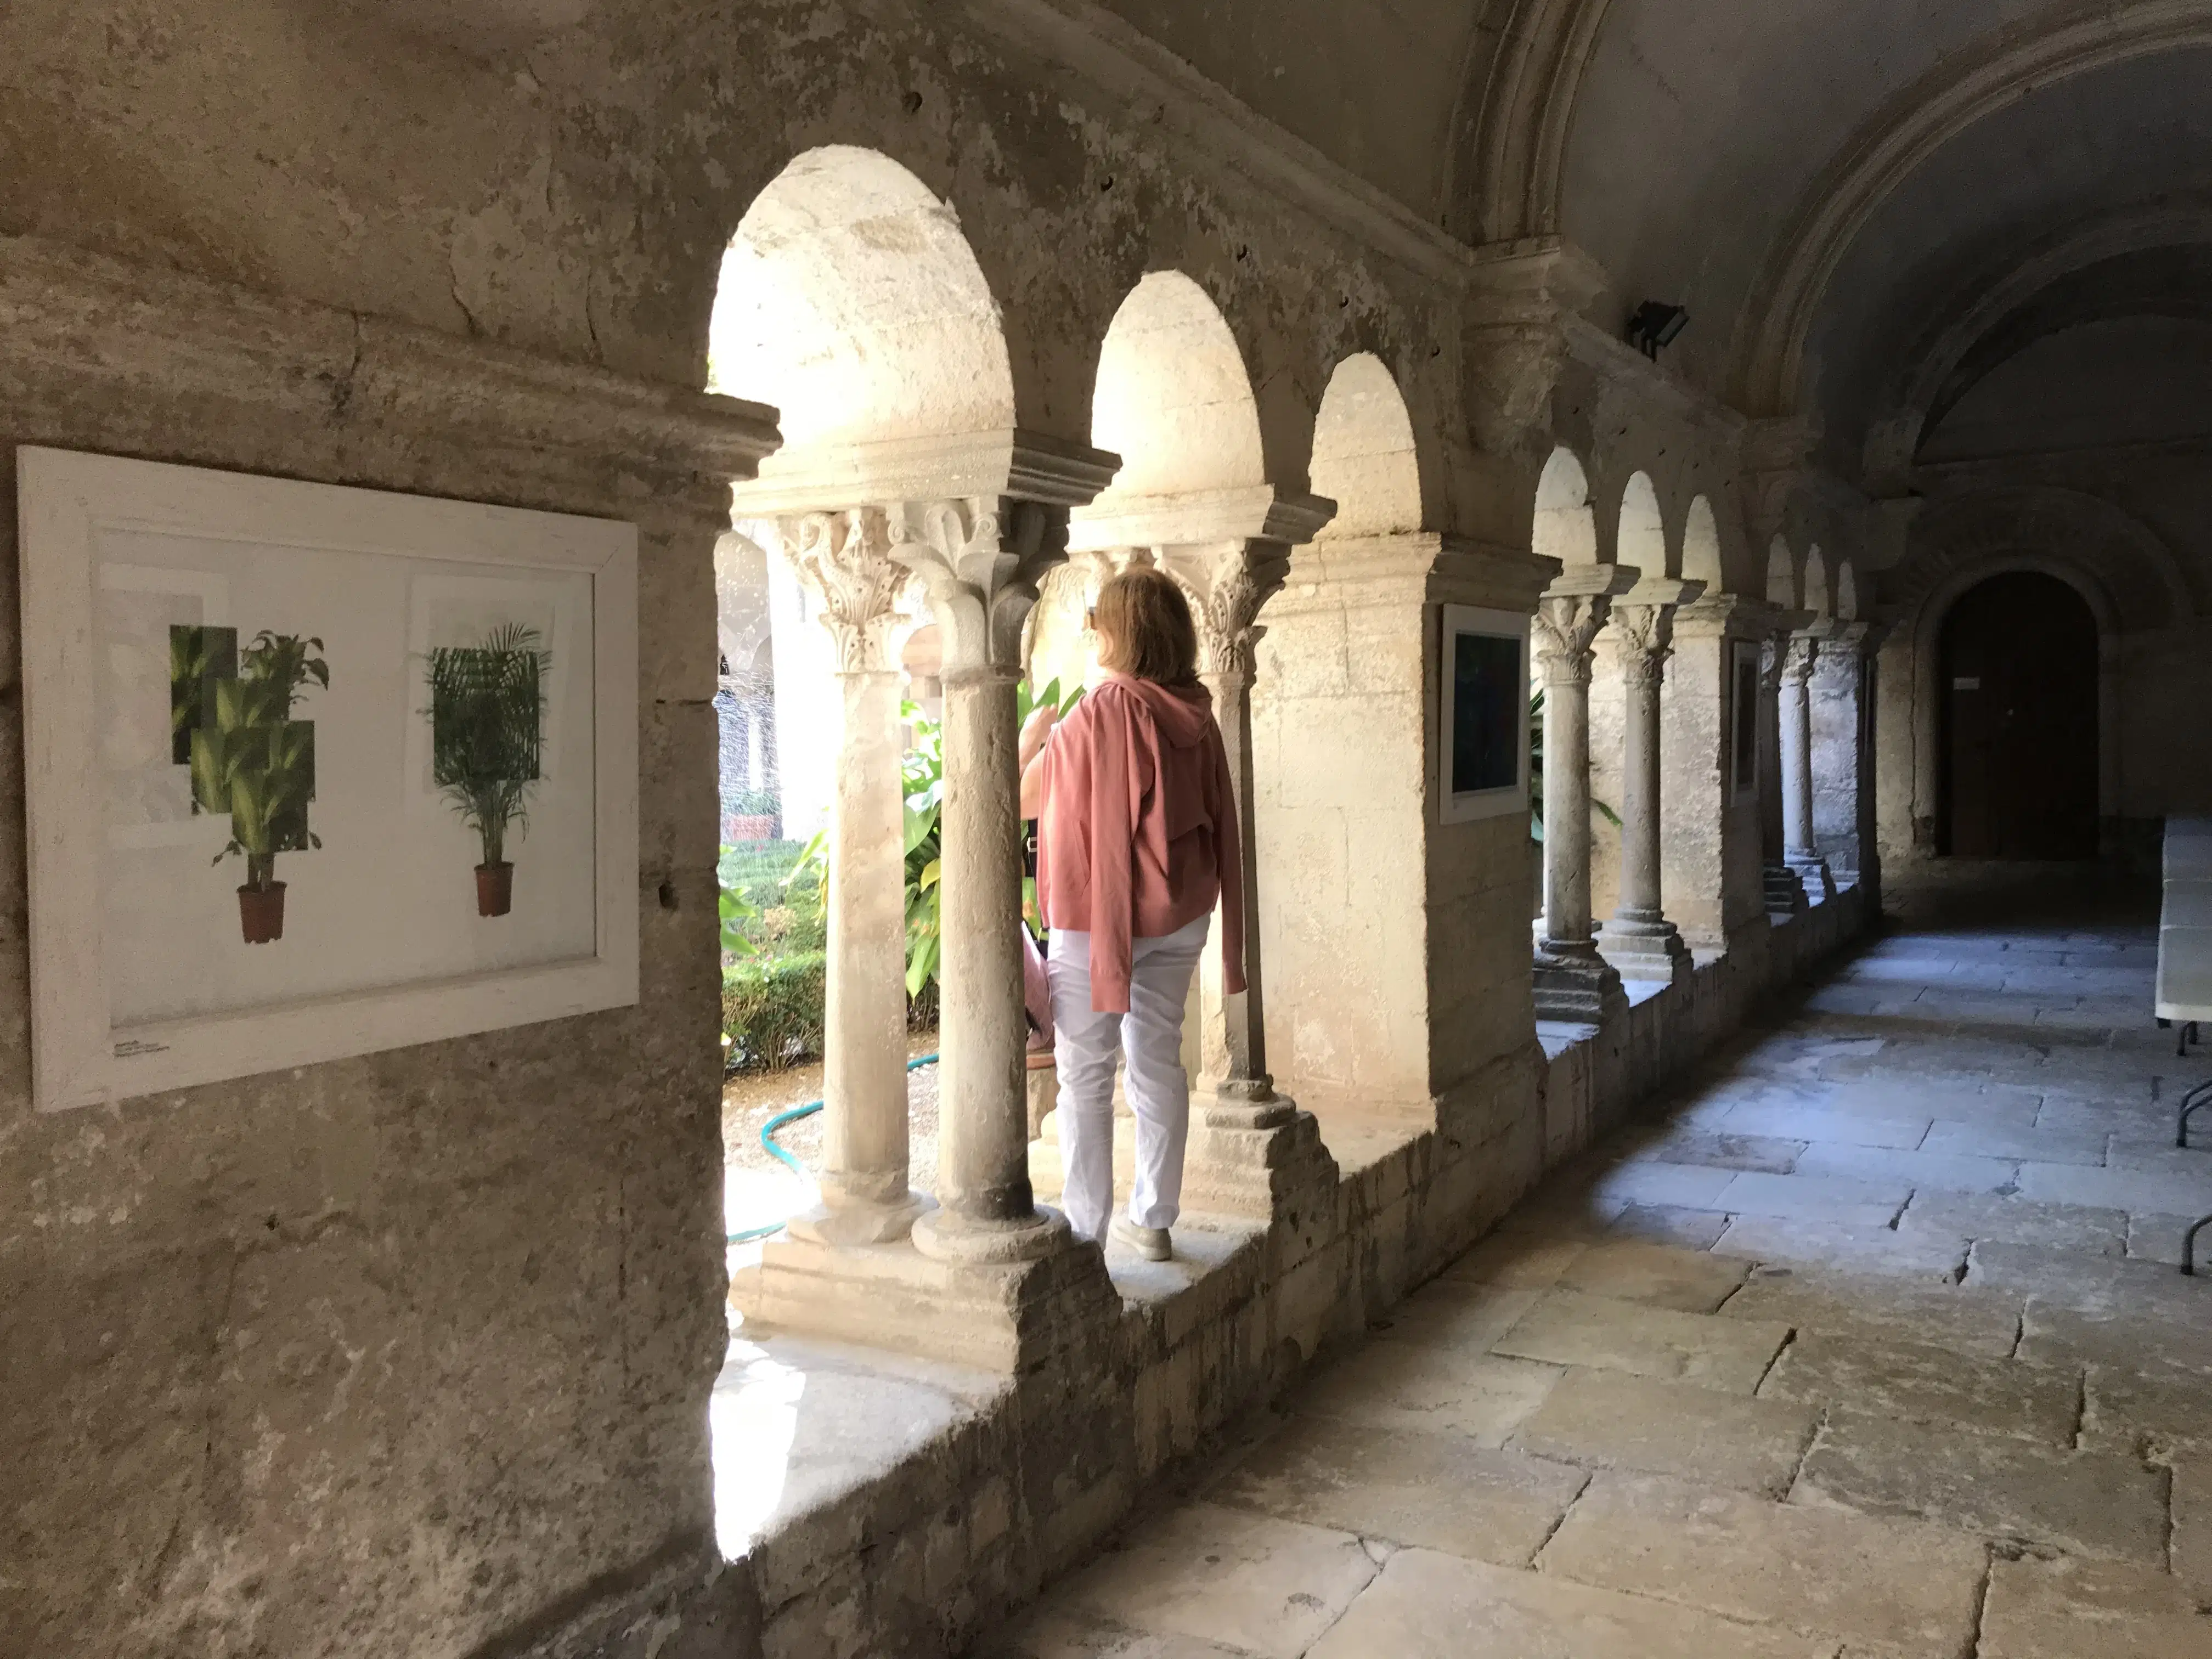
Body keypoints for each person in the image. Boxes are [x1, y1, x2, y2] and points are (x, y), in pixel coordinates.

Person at [1017, 567, 1244, 1262]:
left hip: (1098, 922)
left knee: (1085, 1073)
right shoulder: (1197, 717)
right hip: (1179, 919)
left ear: (1118, 632)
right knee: (1157, 1062)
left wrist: (1033, 738)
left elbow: (1026, 800)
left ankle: (1087, 1234)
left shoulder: (1095, 714)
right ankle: (1153, 1219)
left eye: (1099, 620)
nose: (1091, 630)